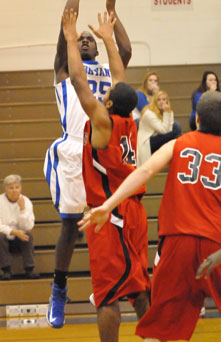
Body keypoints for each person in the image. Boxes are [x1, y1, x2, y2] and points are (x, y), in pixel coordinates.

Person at [79, 90, 221, 342]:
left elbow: (144, 171)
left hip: (178, 242)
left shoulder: (180, 143)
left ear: (196, 119)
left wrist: (109, 204)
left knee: (160, 328)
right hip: (215, 244)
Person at [44, 0, 132, 329]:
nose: (83, 40)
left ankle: (107, 286)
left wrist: (113, 11)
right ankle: (59, 289)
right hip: (74, 151)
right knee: (70, 227)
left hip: (106, 152)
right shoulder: (67, 70)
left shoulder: (110, 72)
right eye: (78, 40)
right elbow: (68, 25)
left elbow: (123, 49)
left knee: (109, 225)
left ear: (96, 46)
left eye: (88, 40)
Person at [63, 8, 151, 342]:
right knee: (140, 286)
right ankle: (156, 336)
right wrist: (108, 40)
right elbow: (119, 76)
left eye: (107, 96)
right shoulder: (130, 121)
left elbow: (78, 82)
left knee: (108, 293)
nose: (103, 94)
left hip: (109, 214)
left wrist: (72, 39)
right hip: (135, 212)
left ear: (109, 103)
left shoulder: (103, 123)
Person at [0, 174, 39, 280]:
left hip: (20, 239)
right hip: (4, 240)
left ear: (21, 188)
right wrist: (14, 232)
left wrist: (22, 209)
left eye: (17, 187)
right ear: (5, 190)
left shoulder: (26, 202)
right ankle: (6, 270)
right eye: (11, 188)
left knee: (28, 235)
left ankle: (29, 270)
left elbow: (28, 226)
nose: (14, 190)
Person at [137, 90, 180, 166]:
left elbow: (168, 129)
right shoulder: (149, 113)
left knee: (175, 130)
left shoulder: (166, 111)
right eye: (159, 100)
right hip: (147, 141)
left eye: (164, 99)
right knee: (176, 128)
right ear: (154, 101)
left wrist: (169, 112)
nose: (161, 102)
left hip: (157, 137)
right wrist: (167, 113)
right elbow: (163, 130)